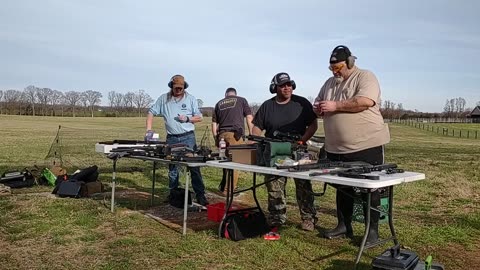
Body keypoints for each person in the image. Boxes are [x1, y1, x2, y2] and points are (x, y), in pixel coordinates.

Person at [314, 45, 390, 244]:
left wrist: (335, 105)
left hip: (367, 145)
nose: (335, 71)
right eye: (331, 68)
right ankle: (343, 225)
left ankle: (372, 232)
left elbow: (364, 101)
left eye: (338, 67)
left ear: (349, 62)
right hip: (336, 148)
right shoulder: (329, 83)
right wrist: (318, 108)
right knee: (342, 187)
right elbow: (319, 102)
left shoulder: (365, 77)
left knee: (370, 187)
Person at [252, 72, 318, 232]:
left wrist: (302, 140)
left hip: (299, 149)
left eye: (289, 84)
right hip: (275, 151)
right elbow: (257, 127)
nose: (287, 88)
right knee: (274, 185)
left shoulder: (301, 103)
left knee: (303, 185)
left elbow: (313, 124)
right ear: (275, 88)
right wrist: (255, 141)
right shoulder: (267, 106)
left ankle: (308, 218)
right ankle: (277, 217)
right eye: (282, 85)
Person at [145, 74, 209, 206]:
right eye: (176, 88)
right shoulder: (163, 99)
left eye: (181, 88)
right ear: (171, 87)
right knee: (173, 167)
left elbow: (199, 117)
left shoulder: (191, 99)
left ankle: (200, 194)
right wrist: (149, 130)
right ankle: (173, 194)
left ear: (184, 87)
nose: (178, 90)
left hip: (188, 137)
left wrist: (187, 119)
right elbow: (151, 112)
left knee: (193, 166)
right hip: (172, 138)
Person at [212, 87, 254, 195]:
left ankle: (224, 187)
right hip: (234, 136)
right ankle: (228, 191)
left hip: (222, 136)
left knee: (225, 161)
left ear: (226, 94)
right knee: (236, 163)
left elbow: (214, 125)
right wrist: (252, 136)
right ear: (235, 94)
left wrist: (216, 139)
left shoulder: (218, 104)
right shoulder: (241, 100)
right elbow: (249, 118)